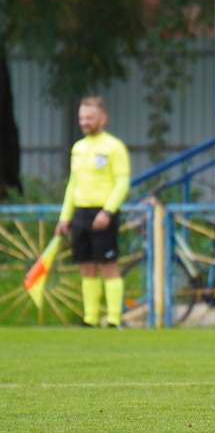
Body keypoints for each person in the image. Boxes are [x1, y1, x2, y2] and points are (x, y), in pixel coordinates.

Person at [55, 97, 130, 328]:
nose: (84, 122)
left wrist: (108, 211)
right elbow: (72, 184)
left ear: (103, 119)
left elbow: (122, 183)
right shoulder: (78, 148)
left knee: (108, 264)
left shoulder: (114, 147)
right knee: (86, 265)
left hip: (103, 212)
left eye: (89, 118)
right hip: (81, 212)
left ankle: (114, 318)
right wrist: (65, 216)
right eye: (81, 118)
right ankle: (90, 318)